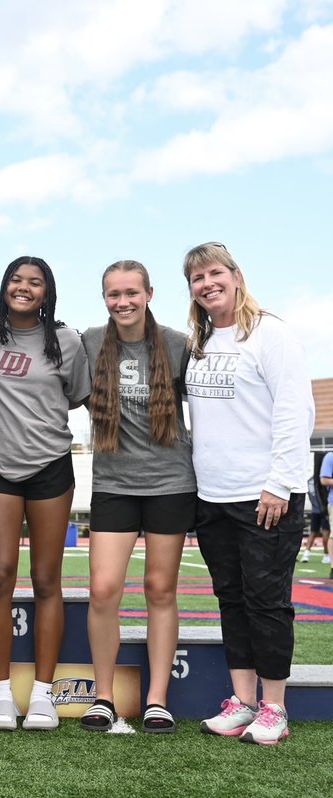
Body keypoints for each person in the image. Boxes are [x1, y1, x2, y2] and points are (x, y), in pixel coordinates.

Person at [183, 242, 314, 745]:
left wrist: (280, 482)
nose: (207, 284)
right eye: (197, 278)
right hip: (213, 495)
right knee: (231, 599)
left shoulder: (270, 334)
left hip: (264, 495)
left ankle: (274, 707)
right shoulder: (200, 341)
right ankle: (242, 701)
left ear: (236, 275)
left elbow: (294, 411)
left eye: (215, 273)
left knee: (266, 602)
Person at [0, 255, 89, 732]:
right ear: (4, 286)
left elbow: (78, 396)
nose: (24, 287)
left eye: (35, 282)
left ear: (47, 292)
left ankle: (43, 695)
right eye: (16, 280)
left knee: (46, 579)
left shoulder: (68, 341)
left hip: (49, 466)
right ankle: (1, 695)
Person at [79, 261, 195, 734]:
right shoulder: (90, 342)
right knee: (104, 589)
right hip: (114, 483)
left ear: (149, 293)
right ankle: (103, 696)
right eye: (114, 294)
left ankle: (157, 699)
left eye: (131, 292)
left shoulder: (177, 343)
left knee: (160, 590)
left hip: (171, 482)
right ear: (104, 298)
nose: (123, 301)